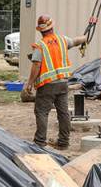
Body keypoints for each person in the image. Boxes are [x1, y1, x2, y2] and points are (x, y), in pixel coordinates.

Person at [25, 14, 93, 150]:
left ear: (40, 30)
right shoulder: (62, 40)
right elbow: (75, 41)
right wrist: (85, 38)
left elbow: (36, 65)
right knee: (63, 113)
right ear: (52, 27)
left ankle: (39, 142)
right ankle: (63, 142)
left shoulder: (40, 45)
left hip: (47, 85)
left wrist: (29, 83)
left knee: (42, 112)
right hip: (62, 83)